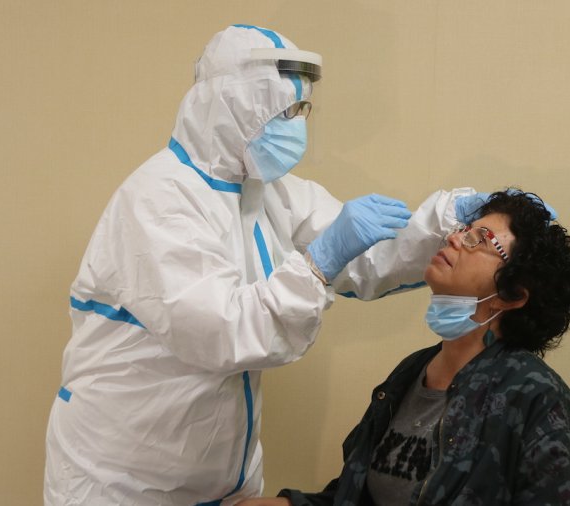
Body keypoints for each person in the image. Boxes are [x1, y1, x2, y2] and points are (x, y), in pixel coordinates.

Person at [44, 24, 486, 506]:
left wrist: (449, 219)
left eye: (303, 110)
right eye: (283, 111)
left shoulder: (266, 191)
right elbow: (223, 330)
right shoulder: (158, 200)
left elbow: (366, 256)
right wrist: (318, 264)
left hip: (222, 479)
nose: (296, 125)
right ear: (229, 106)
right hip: (124, 482)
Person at [241, 189, 570, 505]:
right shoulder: (412, 373)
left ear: (513, 296)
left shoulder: (539, 402)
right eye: (463, 230)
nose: (455, 239)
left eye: (481, 238)